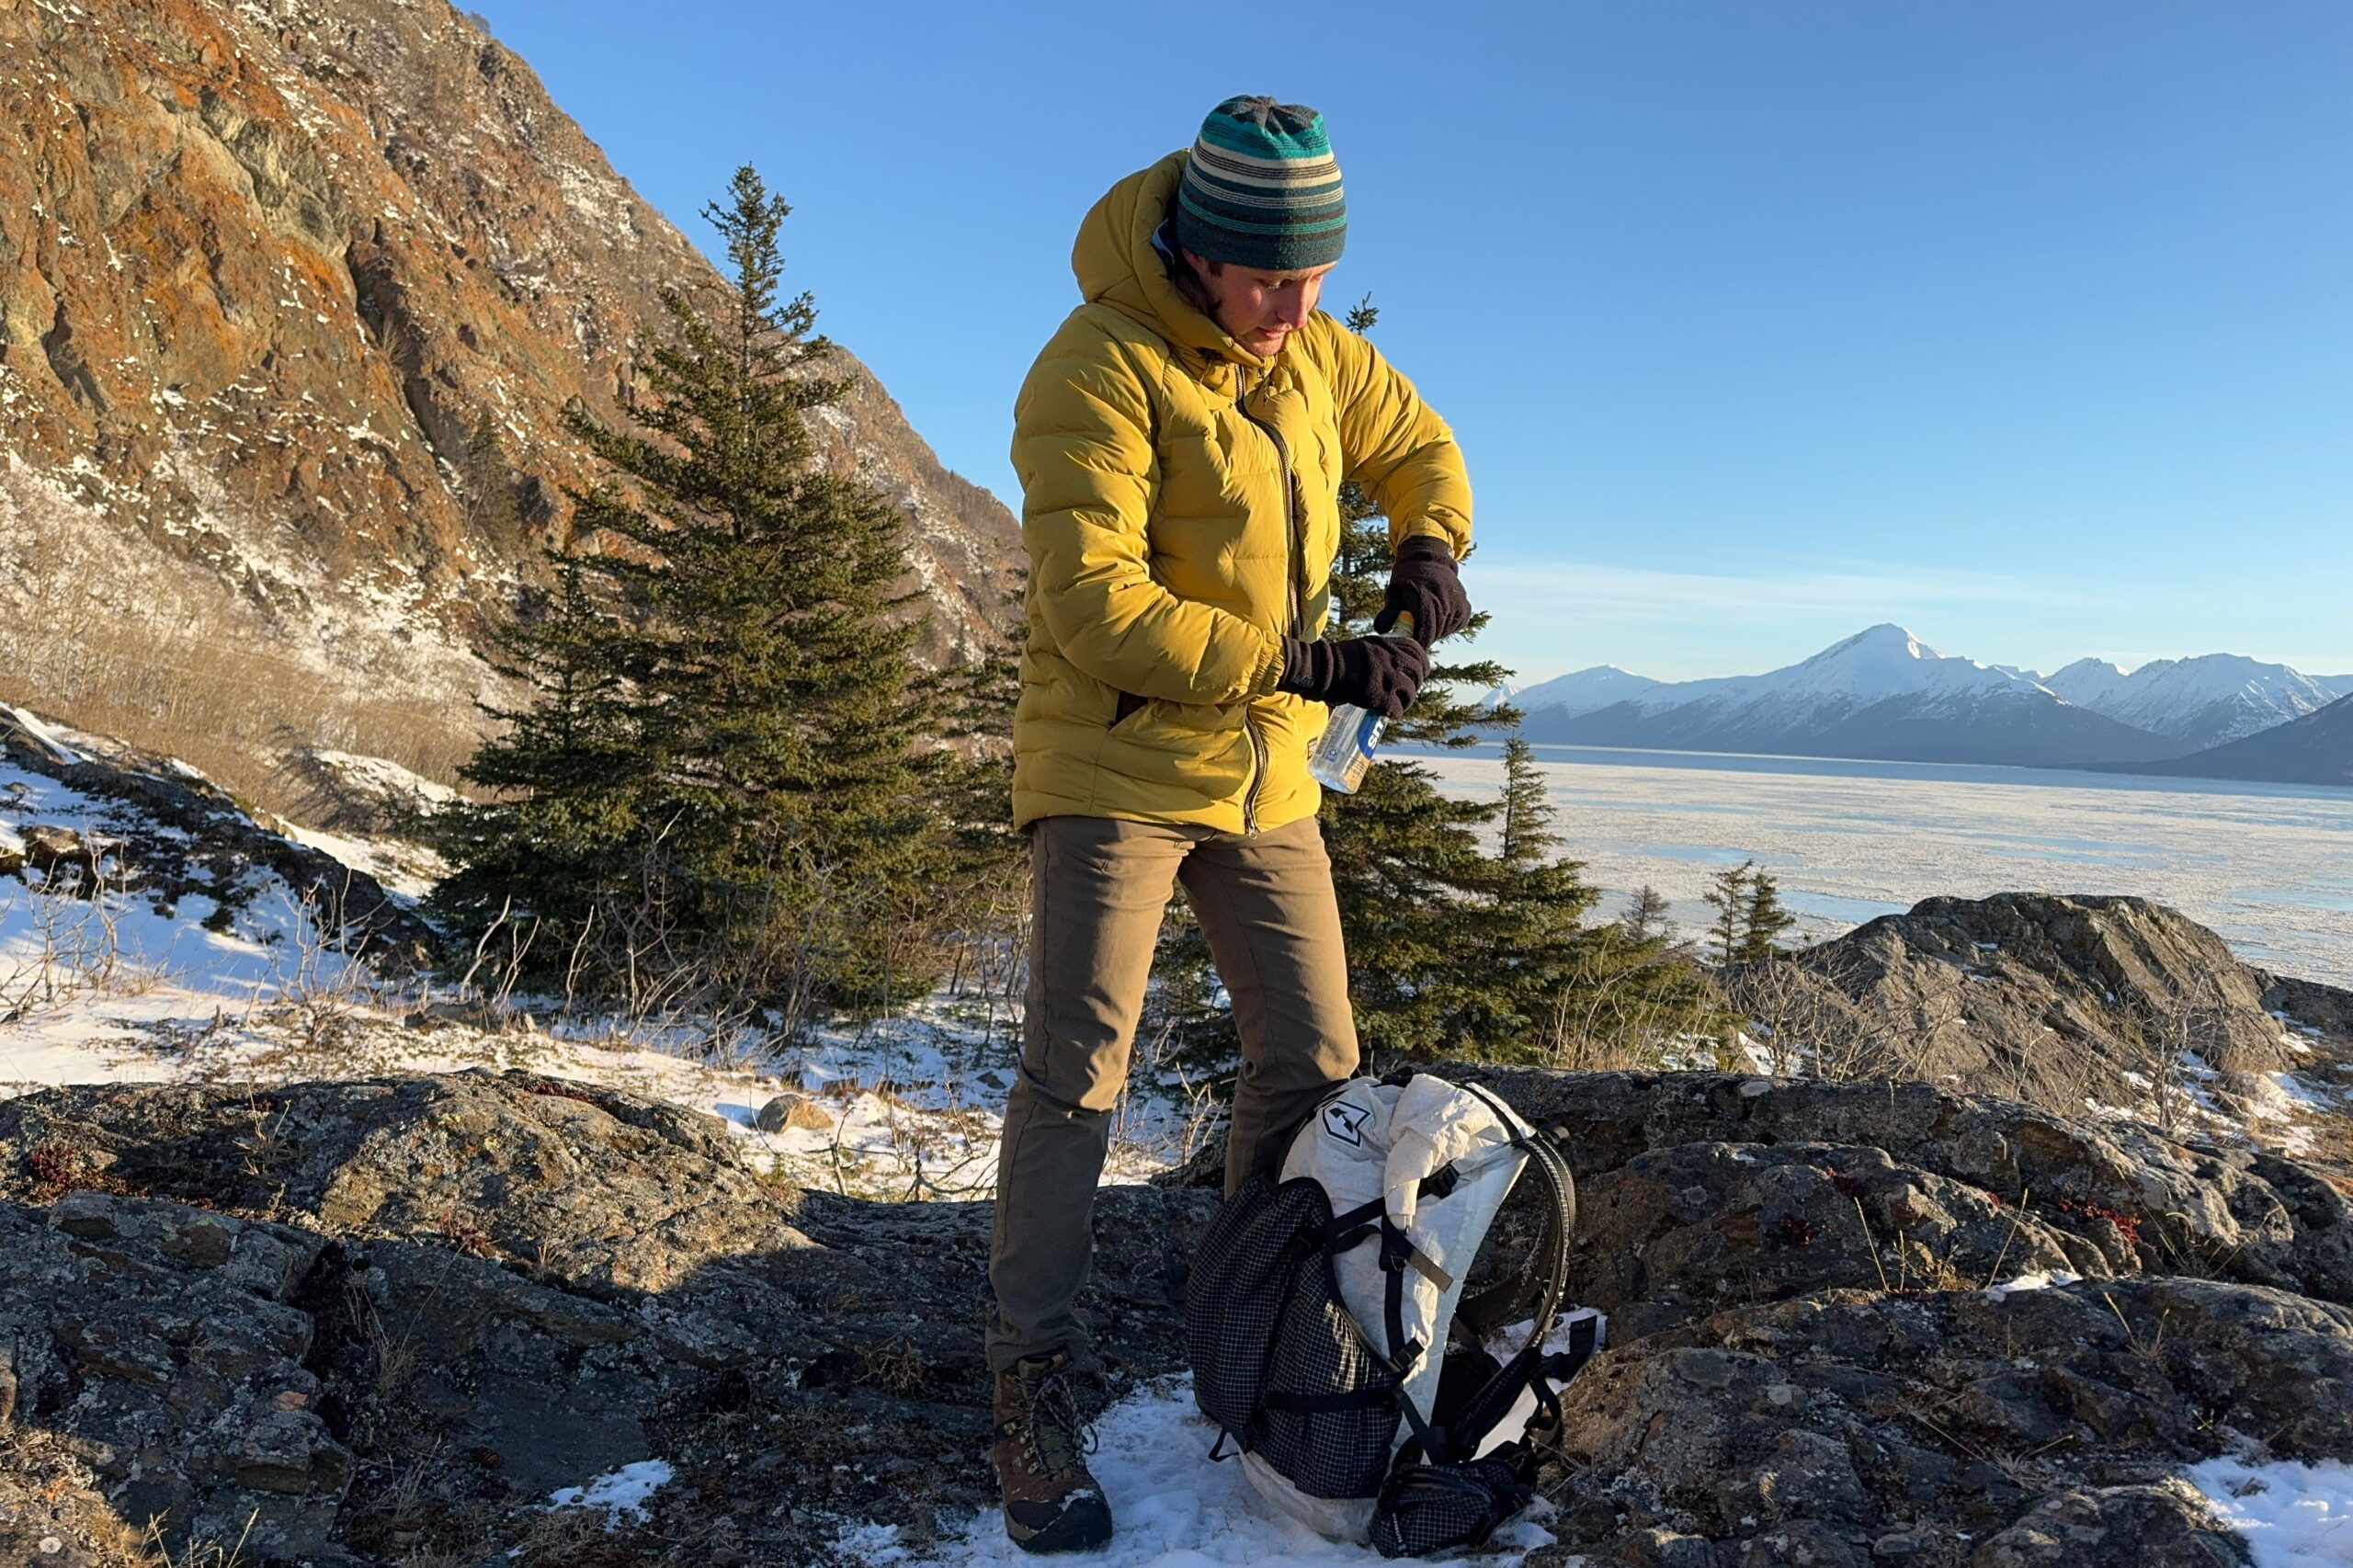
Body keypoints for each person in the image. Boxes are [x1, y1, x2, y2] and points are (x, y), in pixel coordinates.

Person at [988, 95, 1474, 1553]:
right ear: (1198, 253)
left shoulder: (1313, 348)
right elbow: (1099, 607)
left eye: (1316, 275)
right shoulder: (1097, 365)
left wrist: (1429, 546)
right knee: (1080, 1069)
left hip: (1262, 776)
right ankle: (1028, 1389)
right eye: (1273, 279)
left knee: (1315, 1062)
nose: (1299, 306)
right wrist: (1307, 662)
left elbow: (1418, 439)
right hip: (1118, 766)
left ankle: (1248, 1315)